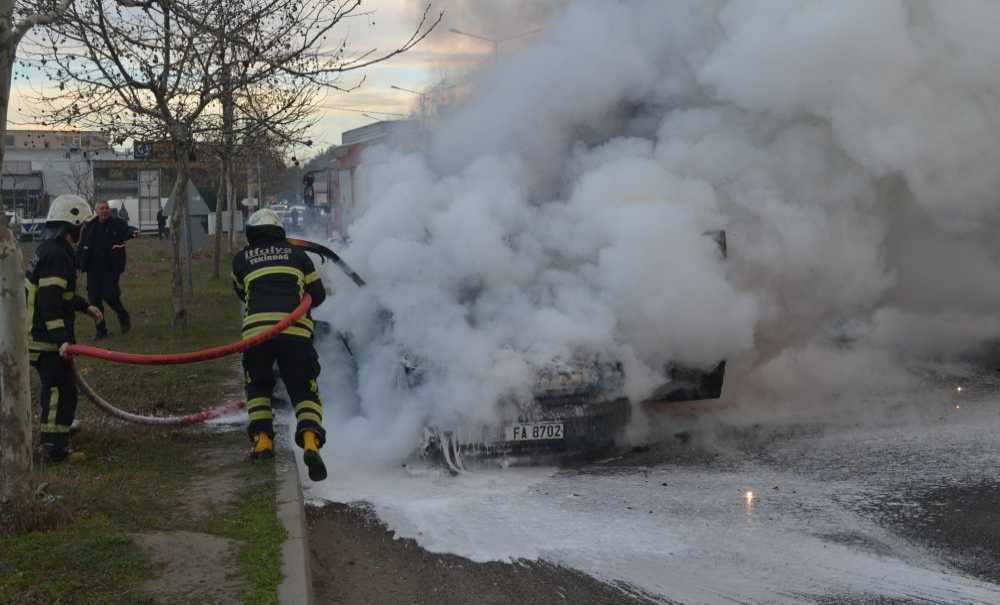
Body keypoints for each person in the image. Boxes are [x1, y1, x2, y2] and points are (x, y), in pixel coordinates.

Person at [232, 208, 329, 480]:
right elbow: (318, 295)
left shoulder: (240, 259)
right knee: (304, 388)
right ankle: (310, 442)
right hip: (295, 332)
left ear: (251, 234)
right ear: (279, 230)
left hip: (257, 334)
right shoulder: (298, 256)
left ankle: (262, 442)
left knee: (258, 385)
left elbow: (242, 293)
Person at [26, 194, 104, 462]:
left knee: (63, 388)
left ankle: (59, 431)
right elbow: (49, 303)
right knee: (59, 390)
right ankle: (53, 447)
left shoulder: (52, 249)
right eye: (83, 225)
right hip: (44, 338)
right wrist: (61, 339)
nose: (85, 230)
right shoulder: (57, 255)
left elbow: (61, 296)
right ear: (72, 225)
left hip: (43, 335)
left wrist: (85, 306)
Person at [78, 200, 132, 338]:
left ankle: (123, 316)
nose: (105, 211)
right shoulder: (90, 226)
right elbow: (82, 245)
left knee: (110, 296)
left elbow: (127, 231)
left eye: (106, 208)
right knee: (94, 300)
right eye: (101, 208)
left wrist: (132, 232)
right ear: (96, 211)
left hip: (110, 268)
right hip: (93, 270)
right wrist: (78, 262)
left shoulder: (117, 223)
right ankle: (101, 330)